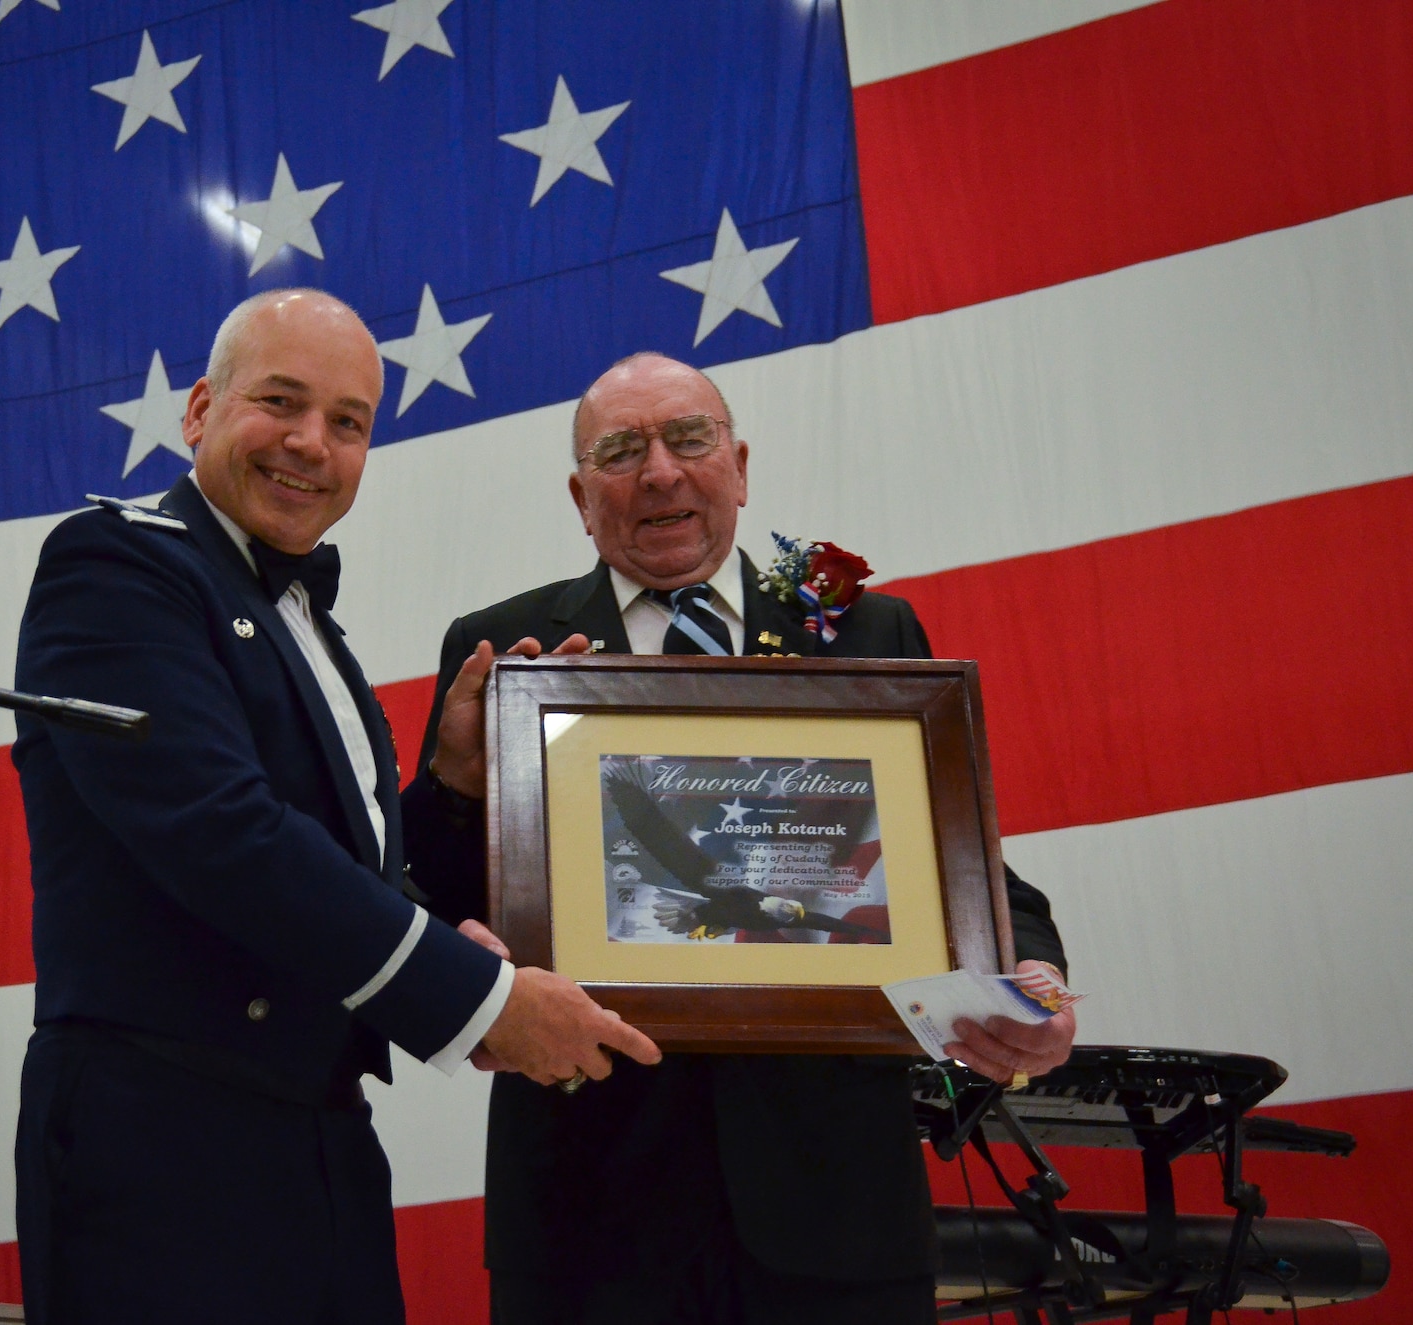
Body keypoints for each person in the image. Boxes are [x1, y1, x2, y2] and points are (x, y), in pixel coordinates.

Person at [10, 288, 660, 1325]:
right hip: (163, 1144)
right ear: (197, 410)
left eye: (348, 422)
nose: (311, 443)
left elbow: (331, 870)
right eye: (281, 401)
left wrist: (448, 787)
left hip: (314, 1132)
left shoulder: (308, 616)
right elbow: (221, 834)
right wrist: (482, 1000)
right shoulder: (116, 564)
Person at [406, 352, 1077, 1324]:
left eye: (687, 439)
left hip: (835, 1207)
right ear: (579, 495)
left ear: (739, 463)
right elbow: (448, 892)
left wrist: (1031, 979)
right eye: (620, 450)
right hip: (589, 1218)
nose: (660, 472)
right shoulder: (507, 649)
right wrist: (451, 784)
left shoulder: (866, 631)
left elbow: (959, 867)